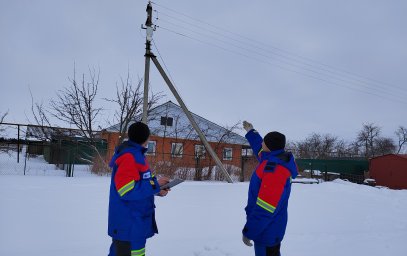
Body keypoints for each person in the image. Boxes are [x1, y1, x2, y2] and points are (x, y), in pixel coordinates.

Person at [108, 122, 170, 256]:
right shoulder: (129, 157)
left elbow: (143, 182)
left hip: (136, 223)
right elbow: (126, 190)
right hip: (128, 223)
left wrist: (158, 190)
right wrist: (155, 185)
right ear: (146, 138)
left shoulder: (138, 155)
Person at [241, 121, 298, 256]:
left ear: (270, 147)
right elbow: (258, 146)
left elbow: (265, 208)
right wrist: (251, 131)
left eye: (264, 143)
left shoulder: (275, 170)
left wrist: (250, 231)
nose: (262, 144)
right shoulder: (273, 157)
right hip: (270, 227)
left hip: (266, 231)